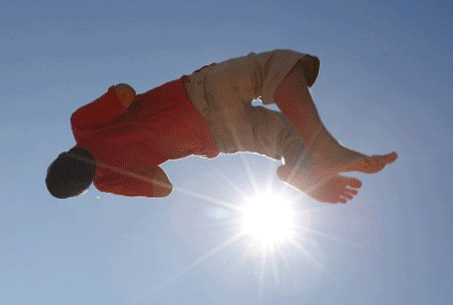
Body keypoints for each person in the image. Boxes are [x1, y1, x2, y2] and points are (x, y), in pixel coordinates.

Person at [45, 50, 397, 204]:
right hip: (199, 96)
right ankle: (323, 148)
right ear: (63, 154)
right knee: (274, 67)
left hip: (218, 138)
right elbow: (125, 94)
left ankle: (303, 171)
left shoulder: (108, 182)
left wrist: (129, 167)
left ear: (84, 185)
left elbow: (163, 188)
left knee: (286, 136)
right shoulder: (82, 125)